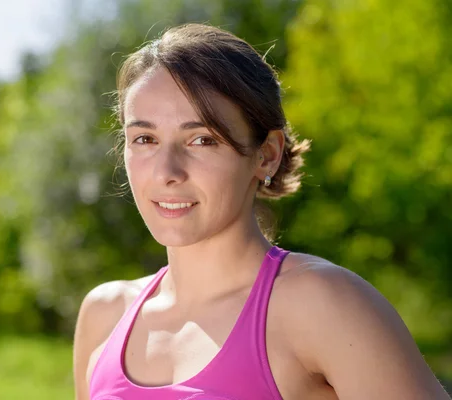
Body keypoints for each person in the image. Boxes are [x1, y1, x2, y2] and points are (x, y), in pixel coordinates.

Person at [72, 23, 450, 400]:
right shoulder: (104, 315)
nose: (166, 172)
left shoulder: (324, 305)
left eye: (202, 139)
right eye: (145, 139)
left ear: (266, 155)